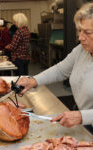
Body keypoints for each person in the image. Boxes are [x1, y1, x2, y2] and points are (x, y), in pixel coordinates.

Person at [17, 2, 93, 133]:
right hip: (83, 121)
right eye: (79, 31)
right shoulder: (81, 51)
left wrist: (83, 116)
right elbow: (60, 70)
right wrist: (33, 81)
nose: (81, 37)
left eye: (88, 32)